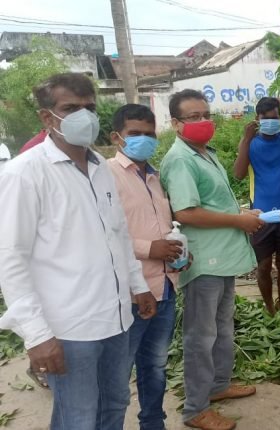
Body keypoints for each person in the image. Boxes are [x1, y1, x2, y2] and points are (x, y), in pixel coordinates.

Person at [0, 72, 157, 429]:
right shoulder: (25, 173)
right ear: (47, 117)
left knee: (115, 403)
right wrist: (37, 334)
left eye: (90, 108)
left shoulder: (100, 166)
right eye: (71, 108)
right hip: (70, 328)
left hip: (116, 317)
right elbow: (10, 258)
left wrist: (137, 285)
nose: (84, 116)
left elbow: (117, 234)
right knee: (79, 417)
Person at [160, 89, 262, 430]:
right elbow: (186, 212)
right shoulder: (180, 159)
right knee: (200, 336)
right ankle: (195, 409)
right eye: (194, 116)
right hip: (204, 261)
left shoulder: (203, 153)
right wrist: (238, 221)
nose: (203, 121)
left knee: (221, 327)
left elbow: (213, 203)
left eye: (206, 114)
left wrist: (242, 214)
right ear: (175, 123)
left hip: (223, 256)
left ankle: (218, 385)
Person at [107, 104, 183, 430]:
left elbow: (162, 226)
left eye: (149, 134)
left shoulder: (154, 176)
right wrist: (150, 248)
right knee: (117, 373)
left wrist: (178, 251)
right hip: (131, 292)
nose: (144, 140)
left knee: (155, 365)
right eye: (135, 133)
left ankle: (153, 423)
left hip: (165, 286)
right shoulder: (107, 175)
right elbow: (104, 233)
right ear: (117, 137)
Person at [233, 97, 280, 315]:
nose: (271, 121)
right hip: (260, 215)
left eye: (275, 117)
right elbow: (238, 174)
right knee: (263, 265)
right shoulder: (250, 143)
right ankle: (270, 308)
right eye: (265, 118)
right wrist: (245, 139)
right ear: (257, 119)